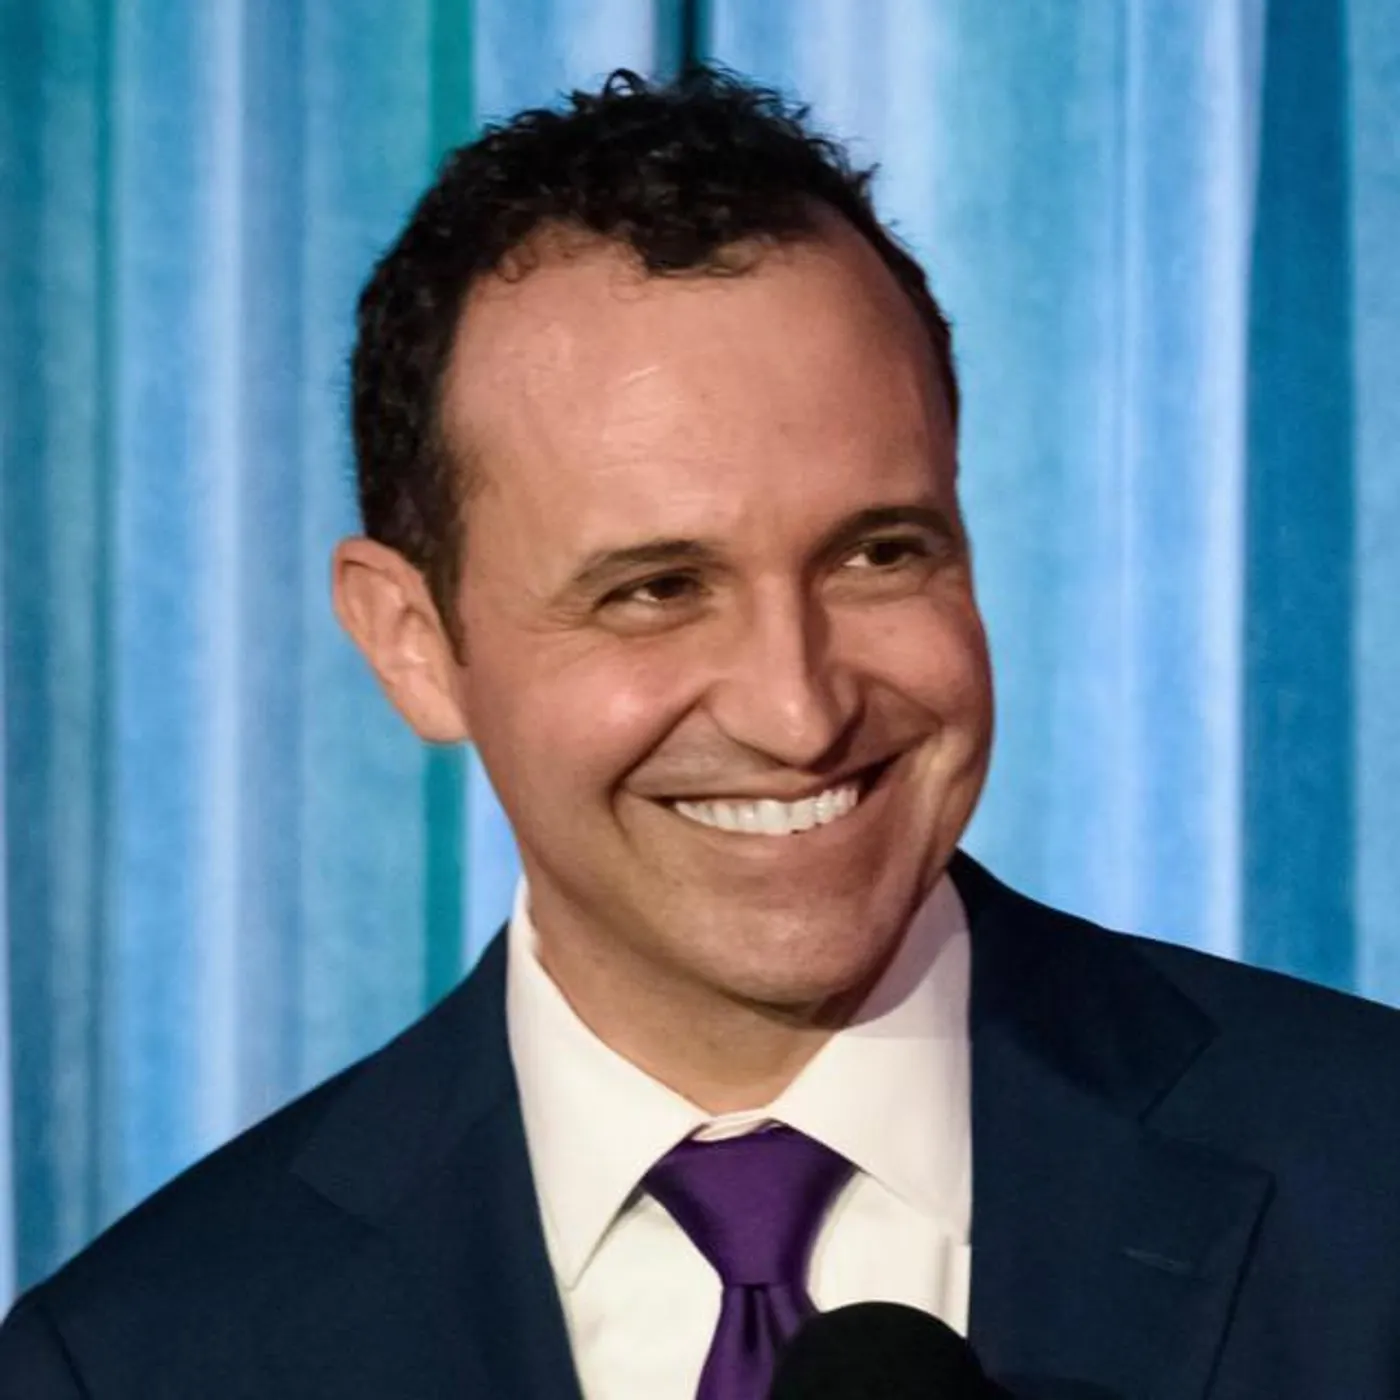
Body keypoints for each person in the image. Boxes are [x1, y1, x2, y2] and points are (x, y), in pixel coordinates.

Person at [1, 66, 1397, 1400]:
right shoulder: (138, 1361)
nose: (799, 710)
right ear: (413, 644)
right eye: (657, 590)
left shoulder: (1368, 1185)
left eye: (878, 555)